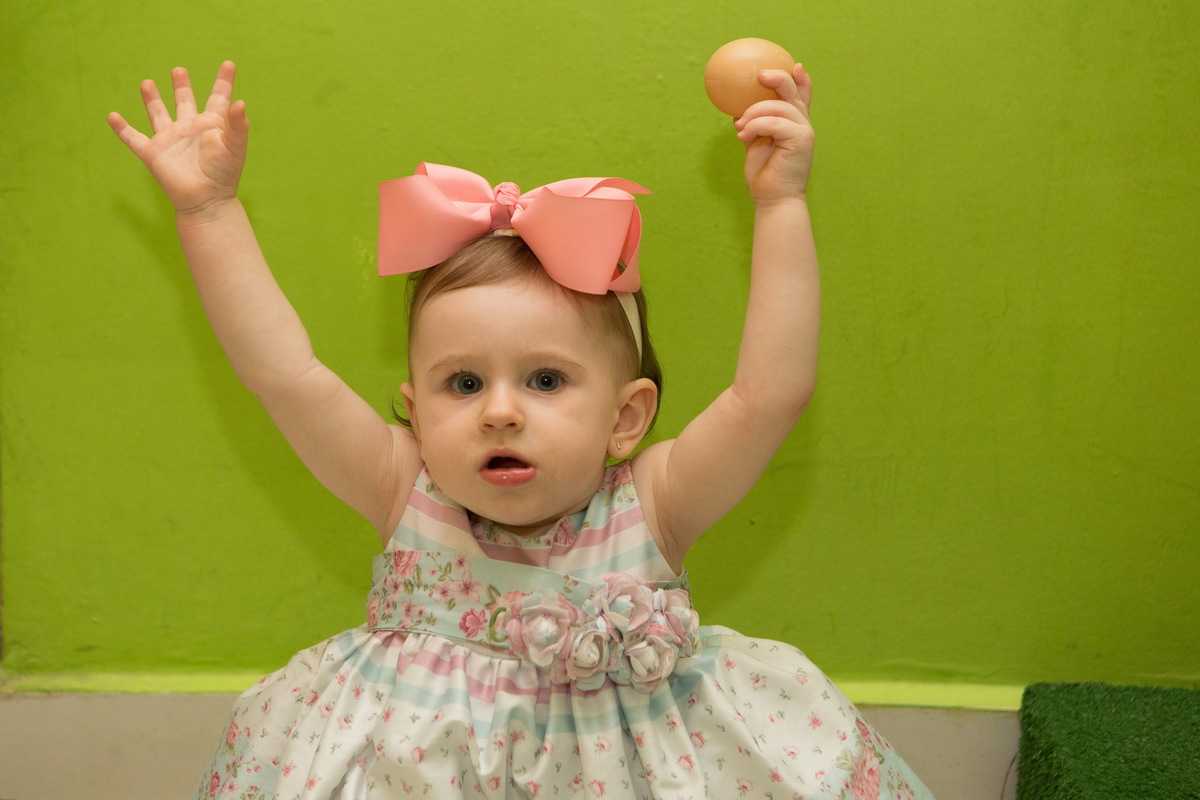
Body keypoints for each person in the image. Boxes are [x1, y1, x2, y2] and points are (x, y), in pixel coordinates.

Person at [109, 60, 932, 800]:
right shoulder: (403, 487)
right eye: (463, 383)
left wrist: (781, 203)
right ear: (416, 412)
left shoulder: (655, 503)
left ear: (626, 418)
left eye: (545, 380)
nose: (499, 411)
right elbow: (284, 373)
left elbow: (768, 395)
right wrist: (209, 211)